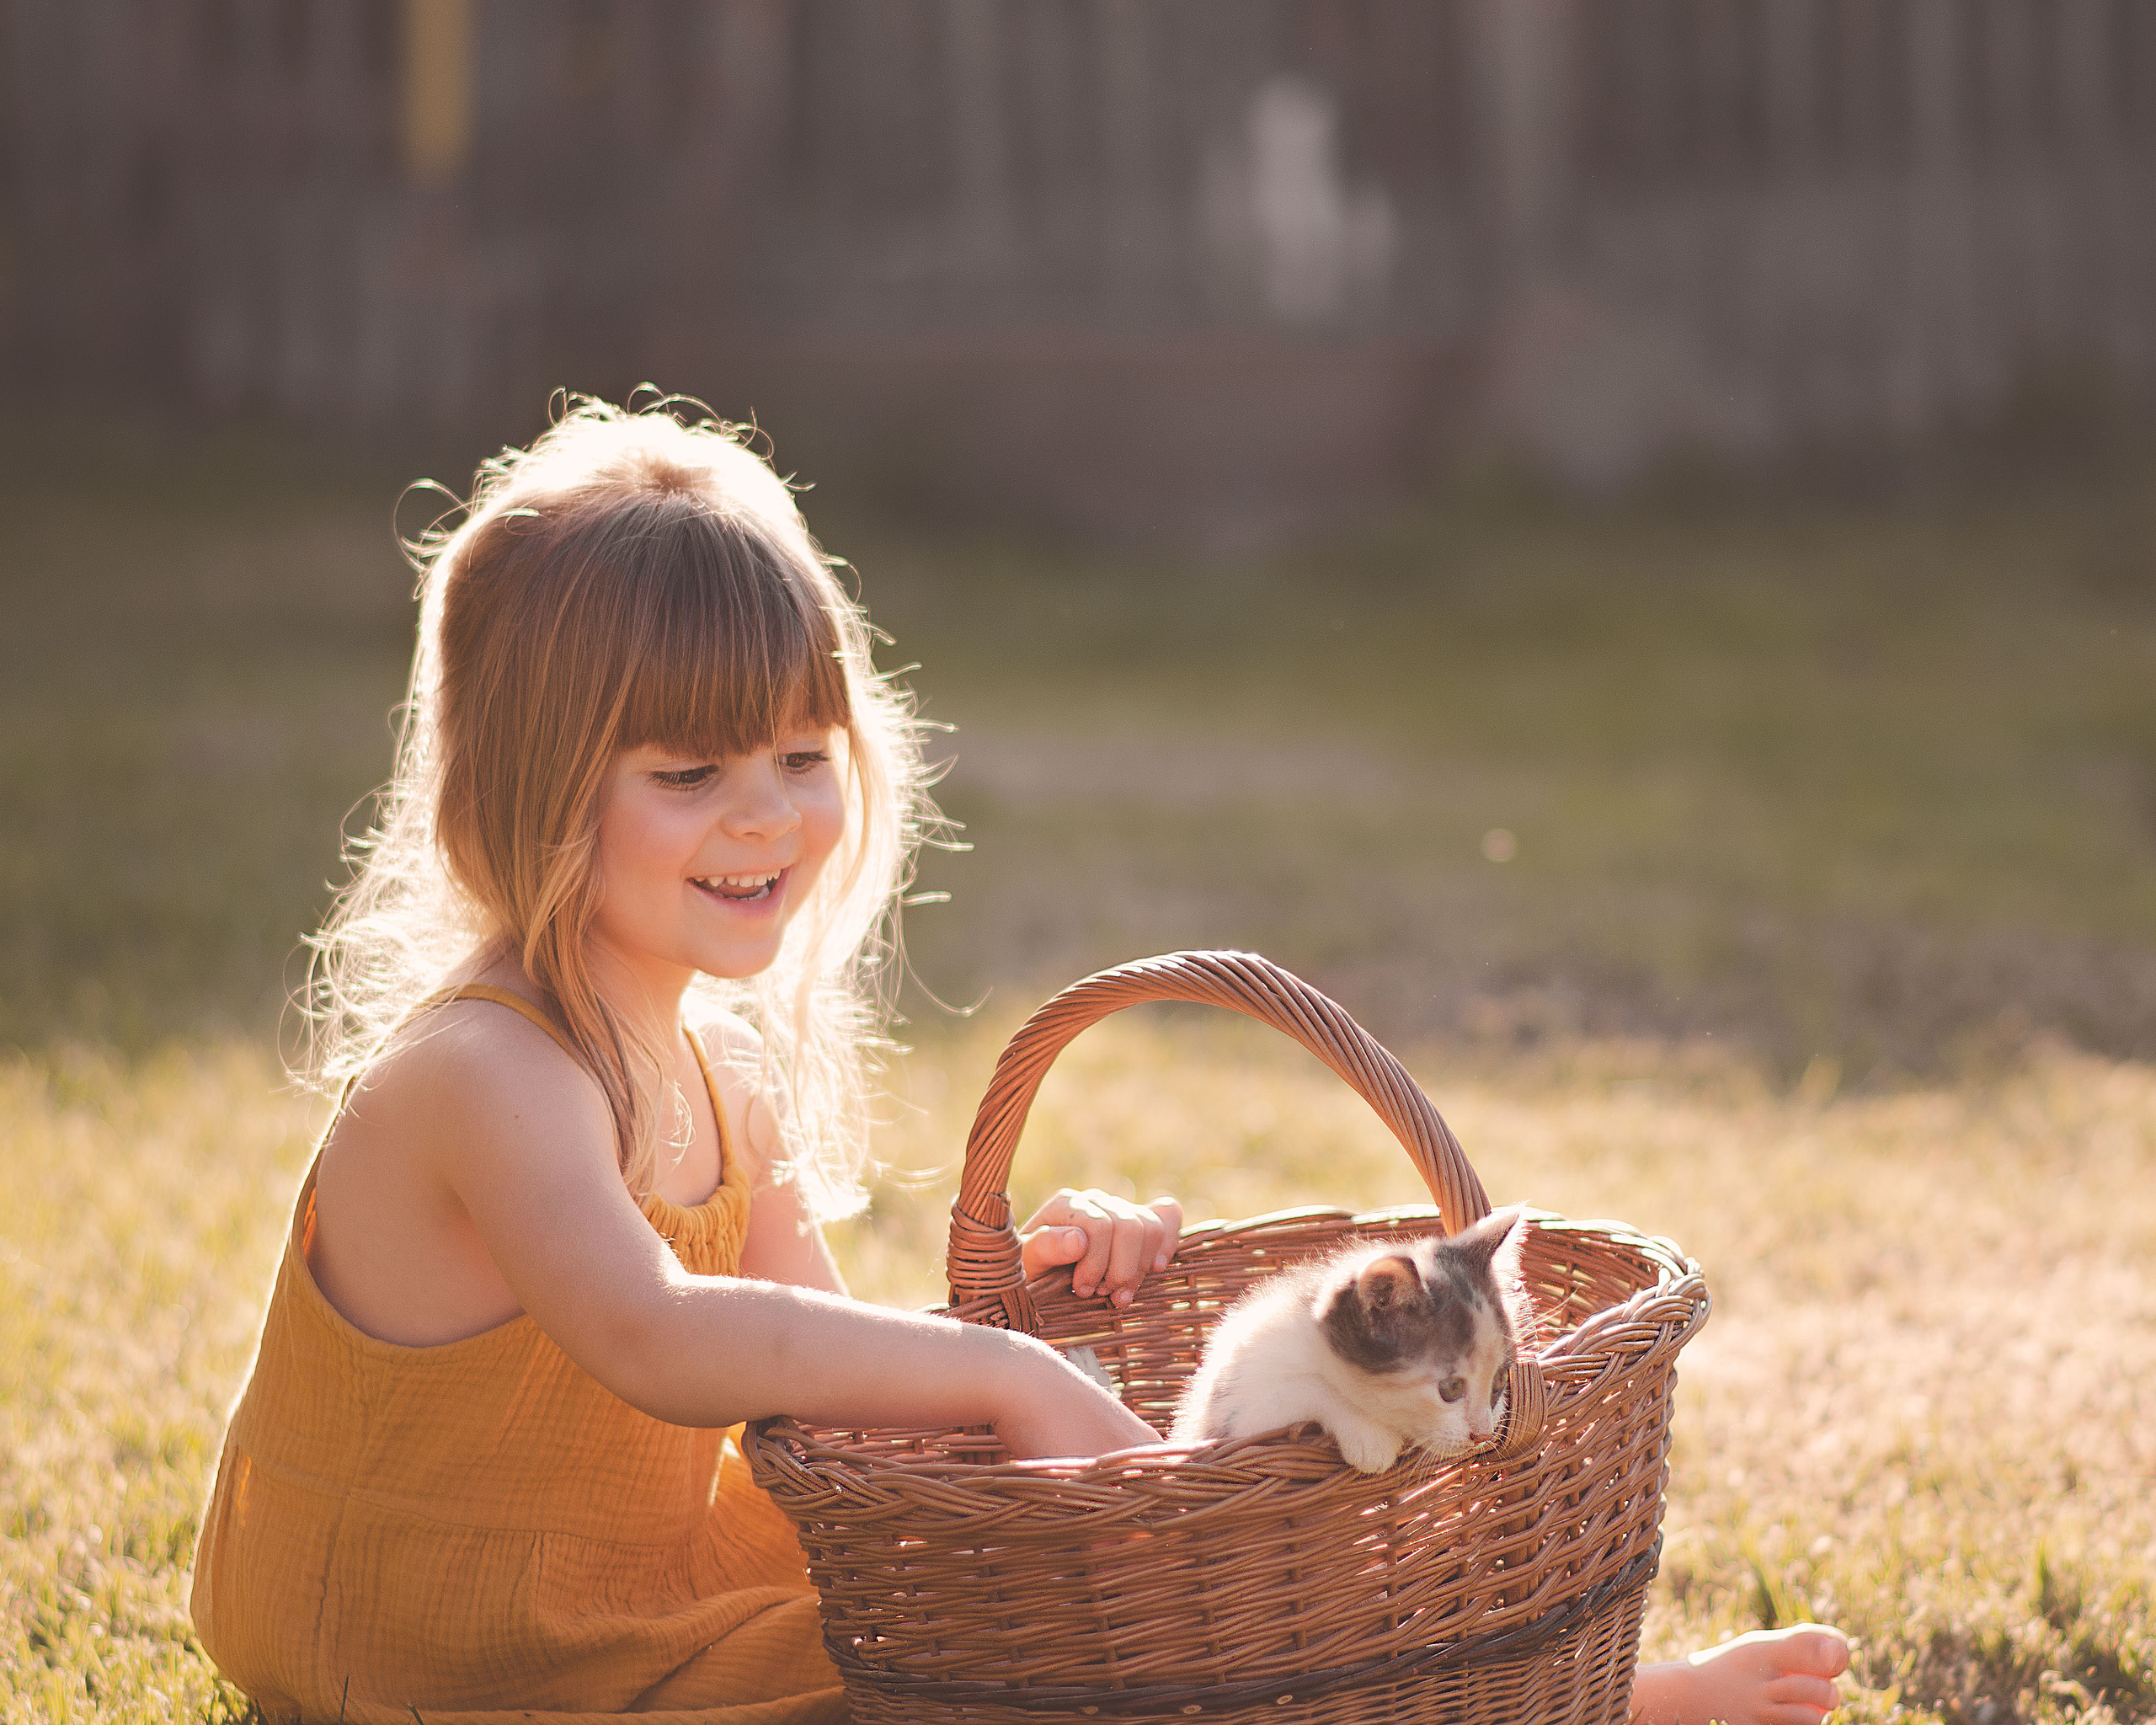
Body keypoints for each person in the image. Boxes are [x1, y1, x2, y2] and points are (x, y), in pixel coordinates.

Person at [191, 398, 1849, 1725]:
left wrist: (1037, 1315)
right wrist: (997, 1378)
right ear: (533, 793)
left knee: (1035, 1619)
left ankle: (1496, 1690)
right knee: (1022, 1686)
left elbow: (829, 1385)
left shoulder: (720, 1076)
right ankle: (1554, 1707)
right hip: (437, 1652)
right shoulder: (486, 1075)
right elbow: (658, 1335)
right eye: (688, 770)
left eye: (796, 754)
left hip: (631, 1598)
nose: (765, 813)